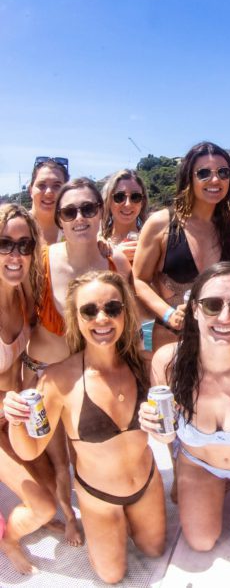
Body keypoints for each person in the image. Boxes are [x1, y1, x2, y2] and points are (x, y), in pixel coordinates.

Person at [4, 270, 165, 584]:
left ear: (126, 312)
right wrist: (16, 420)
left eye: (112, 308)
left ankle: (129, 523)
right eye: (89, 311)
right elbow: (30, 448)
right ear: (75, 319)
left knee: (155, 550)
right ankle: (107, 527)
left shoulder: (144, 364)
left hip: (146, 484)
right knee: (111, 575)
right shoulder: (59, 379)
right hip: (99, 497)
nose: (101, 318)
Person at [139, 262, 230, 553]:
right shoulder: (168, 362)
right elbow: (166, 436)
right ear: (194, 309)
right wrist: (154, 428)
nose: (225, 317)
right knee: (201, 542)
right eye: (212, 305)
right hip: (198, 463)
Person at [23, 177, 131, 546]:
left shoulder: (114, 260)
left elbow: (128, 318)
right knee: (58, 460)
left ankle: (104, 505)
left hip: (91, 378)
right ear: (59, 218)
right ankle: (70, 517)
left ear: (102, 211)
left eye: (88, 208)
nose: (80, 217)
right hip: (47, 378)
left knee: (88, 453)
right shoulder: (41, 262)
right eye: (69, 211)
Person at [133, 141, 230, 351]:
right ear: (189, 177)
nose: (215, 179)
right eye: (204, 173)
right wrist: (168, 314)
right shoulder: (161, 224)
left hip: (222, 341)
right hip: (172, 341)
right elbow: (139, 280)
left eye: (223, 172)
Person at [0, 204, 58, 574]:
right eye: (4, 243)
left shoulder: (23, 296)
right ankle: (9, 539)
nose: (15, 255)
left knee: (54, 490)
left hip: (10, 416)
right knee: (42, 507)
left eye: (24, 245)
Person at [101, 169, 149, 263]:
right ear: (108, 201)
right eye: (119, 197)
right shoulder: (97, 244)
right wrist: (115, 257)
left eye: (135, 197)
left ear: (142, 202)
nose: (128, 204)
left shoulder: (152, 241)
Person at [28, 156, 70, 245]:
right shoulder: (10, 227)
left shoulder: (74, 230)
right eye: (41, 185)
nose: (49, 192)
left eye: (57, 186)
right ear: (30, 190)